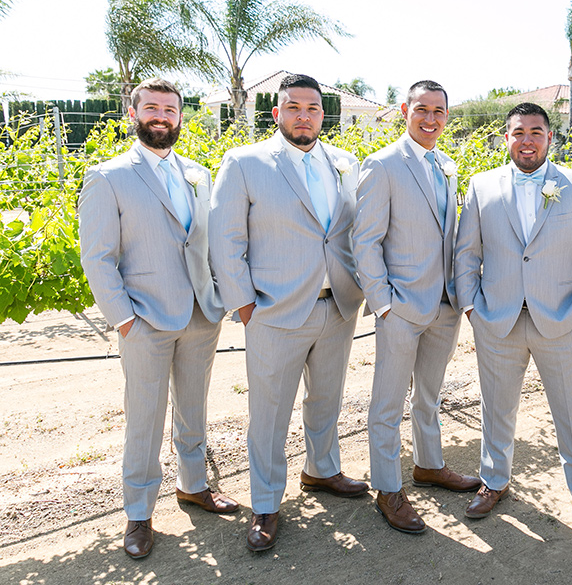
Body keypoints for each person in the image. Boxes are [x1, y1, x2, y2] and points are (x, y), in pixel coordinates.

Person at [79, 78, 236, 559]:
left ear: (181, 117)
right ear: (133, 114)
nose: (161, 116)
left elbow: (206, 242)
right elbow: (97, 258)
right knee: (143, 421)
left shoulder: (198, 173)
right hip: (144, 320)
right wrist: (124, 320)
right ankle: (139, 513)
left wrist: (218, 299)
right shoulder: (108, 177)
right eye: (152, 108)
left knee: (194, 408)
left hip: (200, 316)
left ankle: (193, 485)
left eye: (170, 109)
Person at [209, 73, 367, 552]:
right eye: (293, 107)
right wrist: (245, 306)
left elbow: (353, 233)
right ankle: (265, 503)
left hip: (336, 306)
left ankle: (321, 471)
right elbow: (226, 239)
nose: (304, 115)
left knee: (326, 399)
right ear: (276, 113)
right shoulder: (243, 163)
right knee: (270, 412)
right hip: (273, 311)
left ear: (324, 114)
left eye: (313, 108)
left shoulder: (345, 163)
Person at [454, 103, 572, 534]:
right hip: (496, 320)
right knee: (495, 408)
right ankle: (494, 481)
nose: (527, 140)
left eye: (536, 132)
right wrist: (471, 308)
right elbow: (467, 253)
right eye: (518, 132)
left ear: (549, 138)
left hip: (561, 321)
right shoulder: (482, 186)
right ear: (506, 138)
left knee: (571, 412)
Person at [354, 80, 480, 534]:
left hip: (444, 306)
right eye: (422, 109)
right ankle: (388, 488)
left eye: (439, 112)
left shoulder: (447, 164)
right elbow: (364, 241)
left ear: (448, 116)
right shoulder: (383, 164)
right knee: (387, 404)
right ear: (405, 109)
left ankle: (429, 465)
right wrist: (383, 304)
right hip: (401, 308)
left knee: (429, 396)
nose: (430, 119)